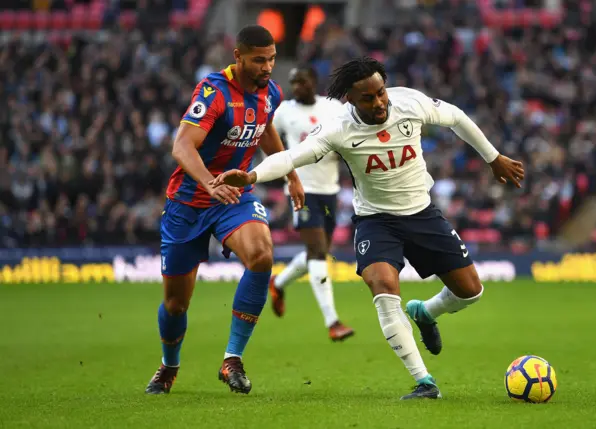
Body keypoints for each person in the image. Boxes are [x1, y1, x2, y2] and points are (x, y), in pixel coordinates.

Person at [213, 57, 525, 400]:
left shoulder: (409, 102)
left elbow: (456, 118)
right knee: (384, 289)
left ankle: (425, 312)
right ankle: (425, 382)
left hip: (422, 213)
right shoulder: (338, 128)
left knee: (471, 291)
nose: (378, 102)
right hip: (376, 221)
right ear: (349, 99)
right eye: (368, 98)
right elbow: (292, 156)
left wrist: (493, 157)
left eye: (380, 93)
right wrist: (253, 175)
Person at [145, 25, 305, 395]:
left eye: (272, 59)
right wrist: (208, 183)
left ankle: (232, 358)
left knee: (262, 255)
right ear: (238, 57)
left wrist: (290, 174)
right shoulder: (213, 91)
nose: (267, 67)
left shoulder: (271, 93)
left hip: (234, 196)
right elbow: (182, 146)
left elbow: (265, 131)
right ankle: (169, 365)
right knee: (175, 304)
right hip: (189, 202)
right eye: (259, 60)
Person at [270, 65, 354, 341]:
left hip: (329, 190)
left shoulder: (333, 107)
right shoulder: (283, 111)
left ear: (313, 82)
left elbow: (349, 137)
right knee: (318, 253)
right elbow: (268, 138)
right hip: (302, 191)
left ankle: (278, 282)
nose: (297, 87)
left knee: (318, 252)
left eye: (302, 81)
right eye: (293, 82)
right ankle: (333, 322)